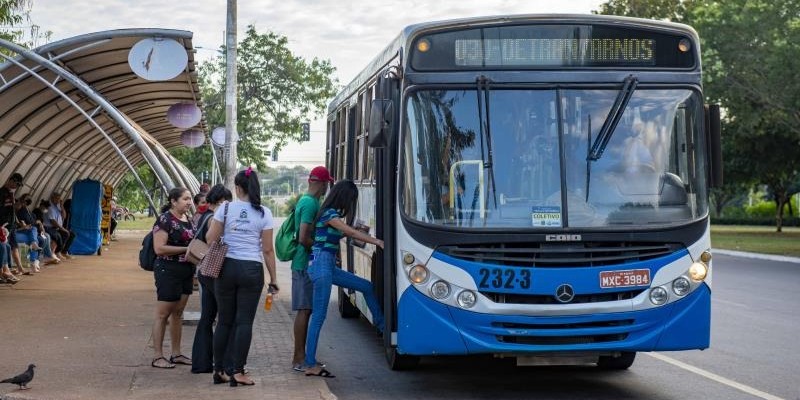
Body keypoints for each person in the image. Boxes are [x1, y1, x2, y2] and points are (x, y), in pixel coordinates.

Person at [204, 167, 279, 387]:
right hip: (251, 271)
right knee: (244, 321)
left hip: (226, 268)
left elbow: (210, 239)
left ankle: (219, 370)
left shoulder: (225, 208)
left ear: (237, 188)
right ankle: (238, 371)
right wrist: (273, 279)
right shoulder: (264, 212)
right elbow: (267, 250)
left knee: (225, 321)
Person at [304, 180, 384, 378]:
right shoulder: (330, 214)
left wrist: (361, 233)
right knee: (318, 318)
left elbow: (345, 235)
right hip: (322, 266)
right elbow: (348, 232)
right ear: (345, 198)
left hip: (327, 264)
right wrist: (377, 241)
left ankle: (382, 326)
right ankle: (310, 364)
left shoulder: (331, 215)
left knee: (366, 286)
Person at [291, 166, 334, 371]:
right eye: (327, 183)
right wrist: (319, 248)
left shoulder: (307, 201)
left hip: (304, 262)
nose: (327, 188)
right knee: (304, 310)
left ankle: (301, 356)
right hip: (303, 263)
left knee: (306, 310)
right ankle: (299, 358)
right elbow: (303, 237)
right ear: (322, 183)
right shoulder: (310, 203)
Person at [150, 187, 196, 369]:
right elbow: (159, 249)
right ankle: (157, 356)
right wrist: (186, 250)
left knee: (178, 313)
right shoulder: (164, 220)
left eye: (190, 198)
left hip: (186, 270)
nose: (189, 202)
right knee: (163, 314)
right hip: (168, 270)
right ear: (173, 201)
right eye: (185, 199)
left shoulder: (188, 220)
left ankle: (176, 353)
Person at [191, 184, 232, 374]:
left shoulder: (203, 216)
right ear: (222, 201)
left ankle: (201, 363)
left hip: (204, 269)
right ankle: (222, 362)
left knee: (206, 318)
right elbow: (215, 240)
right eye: (227, 201)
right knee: (224, 318)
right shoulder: (215, 218)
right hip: (215, 270)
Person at [0, 173, 25, 275]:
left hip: (12, 224)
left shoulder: (11, 194)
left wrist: (19, 204)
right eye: (17, 184)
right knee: (5, 247)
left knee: (13, 246)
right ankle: (5, 270)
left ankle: (19, 268)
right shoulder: (2, 193)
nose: (17, 186)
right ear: (12, 180)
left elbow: (13, 210)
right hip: (4, 226)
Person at [43, 192, 75, 260]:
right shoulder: (50, 207)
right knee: (62, 234)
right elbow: (53, 222)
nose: (58, 200)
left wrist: (62, 206)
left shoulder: (57, 206)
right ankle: (57, 252)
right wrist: (63, 229)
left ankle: (64, 252)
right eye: (56, 199)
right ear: (52, 198)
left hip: (57, 227)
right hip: (49, 227)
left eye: (59, 199)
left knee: (72, 234)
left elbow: (64, 216)